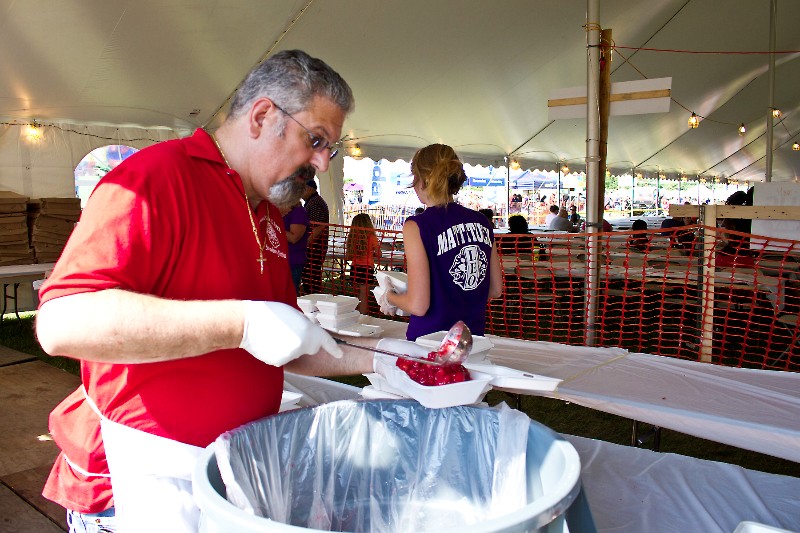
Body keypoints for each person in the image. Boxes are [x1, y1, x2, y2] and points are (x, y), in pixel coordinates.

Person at [35, 50, 378, 533]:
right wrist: (240, 323)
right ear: (262, 116)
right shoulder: (157, 179)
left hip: (224, 480)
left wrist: (386, 359)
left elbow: (289, 343)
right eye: (316, 139)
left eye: (330, 149)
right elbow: (61, 322)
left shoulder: (267, 217)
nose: (321, 161)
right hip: (142, 487)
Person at [383, 144, 502, 340]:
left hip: (429, 343)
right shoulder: (482, 221)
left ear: (423, 179)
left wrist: (389, 296)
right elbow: (495, 289)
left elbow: (418, 305)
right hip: (470, 340)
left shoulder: (417, 225)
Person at [345, 213, 382, 314]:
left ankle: (356, 315)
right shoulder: (372, 237)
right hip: (367, 268)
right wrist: (372, 254)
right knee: (364, 296)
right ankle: (363, 317)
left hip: (355, 268)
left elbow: (348, 256)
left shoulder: (352, 237)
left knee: (356, 295)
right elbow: (379, 254)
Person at [300, 174, 330, 294]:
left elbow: (319, 227)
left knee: (311, 278)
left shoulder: (315, 203)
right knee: (309, 278)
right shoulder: (312, 201)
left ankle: (315, 302)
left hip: (314, 248)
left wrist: (305, 243)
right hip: (313, 247)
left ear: (309, 189)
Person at [281, 199, 309, 293]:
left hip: (292, 260)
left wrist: (274, 226)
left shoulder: (299, 212)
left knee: (290, 294)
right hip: (279, 259)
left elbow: (294, 238)